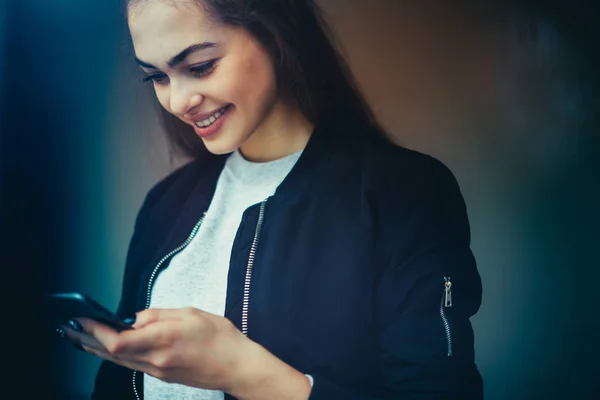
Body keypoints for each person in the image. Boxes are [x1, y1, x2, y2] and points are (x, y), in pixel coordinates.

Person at [61, 0, 484, 399]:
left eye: (200, 66)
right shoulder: (165, 204)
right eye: (157, 77)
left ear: (275, 31)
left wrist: (240, 370)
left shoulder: (404, 192)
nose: (178, 101)